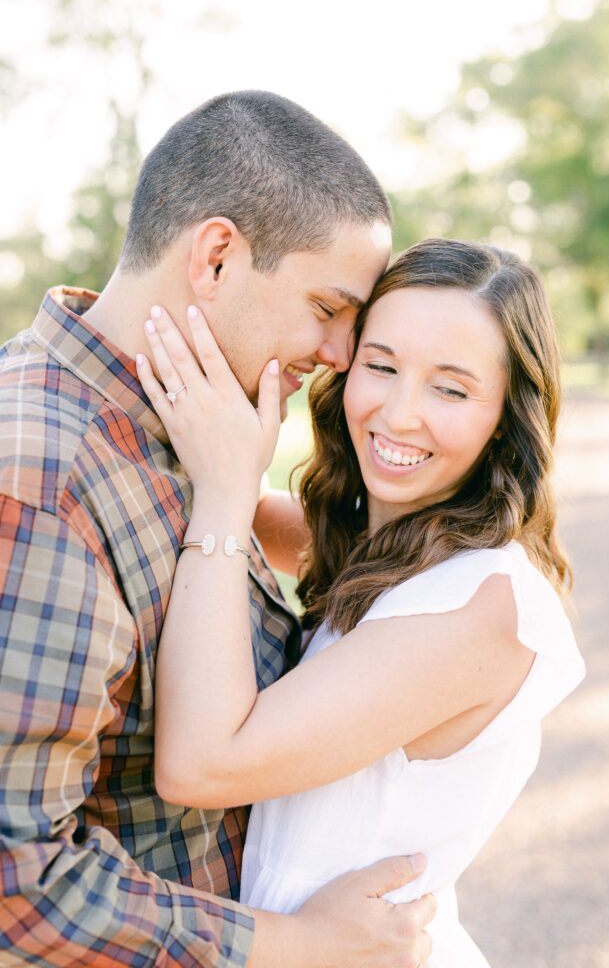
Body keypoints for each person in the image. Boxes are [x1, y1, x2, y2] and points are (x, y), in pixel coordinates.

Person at [0, 92, 437, 967]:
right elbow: (20, 879)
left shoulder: (181, 437)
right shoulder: (41, 481)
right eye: (328, 307)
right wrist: (297, 944)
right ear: (216, 258)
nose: (343, 354)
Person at [136, 238, 586, 968]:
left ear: (505, 416)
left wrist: (222, 493)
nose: (399, 415)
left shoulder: (479, 607)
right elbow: (278, 523)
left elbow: (200, 767)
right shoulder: (388, 549)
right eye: (380, 366)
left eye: (449, 388)